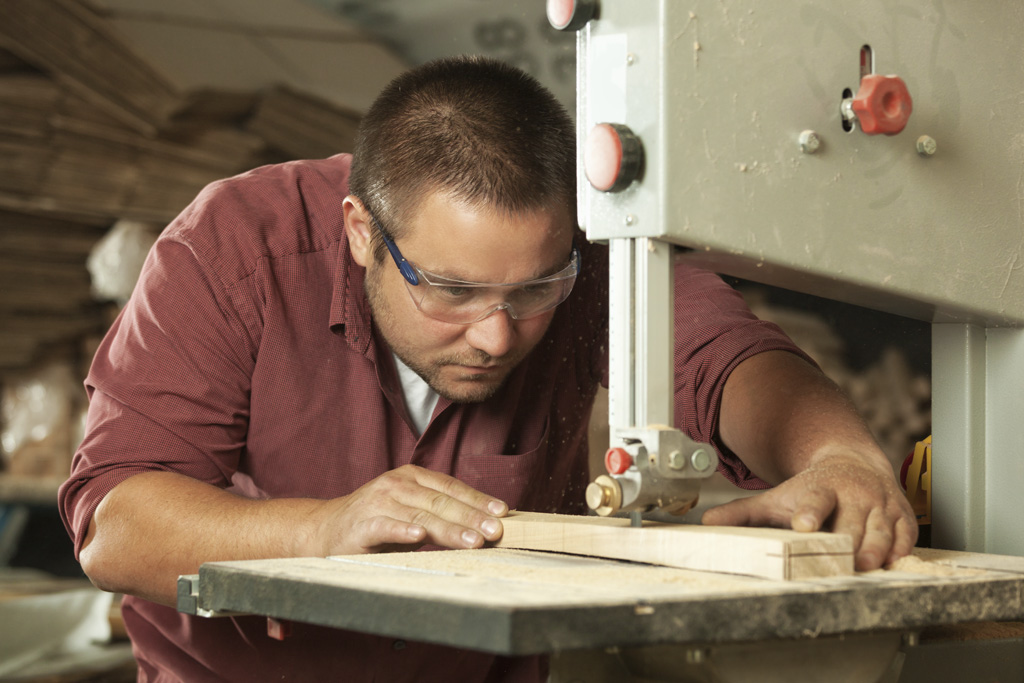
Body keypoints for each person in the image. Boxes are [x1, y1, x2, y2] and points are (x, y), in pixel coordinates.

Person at [59, 55, 916, 682]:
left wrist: (836, 455)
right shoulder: (235, 250)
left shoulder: (587, 251)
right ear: (363, 231)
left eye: (535, 291)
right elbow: (117, 525)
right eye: (454, 292)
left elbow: (723, 354)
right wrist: (314, 532)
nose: (499, 337)